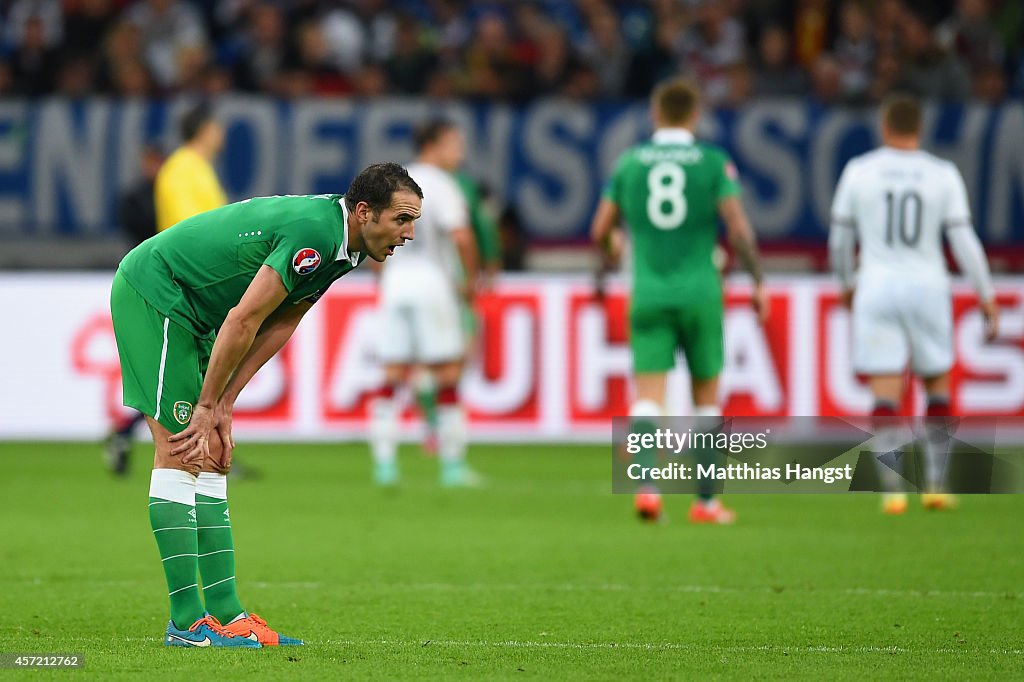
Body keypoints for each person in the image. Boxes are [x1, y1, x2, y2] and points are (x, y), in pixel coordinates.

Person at [110, 163, 422, 647]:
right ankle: (187, 623)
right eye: (402, 219)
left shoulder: (347, 248)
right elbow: (243, 318)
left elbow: (282, 320)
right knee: (180, 449)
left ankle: (228, 614)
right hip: (158, 293)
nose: (410, 233)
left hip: (196, 310)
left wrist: (226, 403)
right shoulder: (315, 234)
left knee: (210, 454)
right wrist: (208, 405)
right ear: (365, 212)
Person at [590, 77, 767, 525]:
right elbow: (739, 228)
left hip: (647, 292)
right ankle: (706, 502)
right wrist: (758, 280)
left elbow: (600, 230)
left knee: (648, 396)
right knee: (706, 398)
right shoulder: (712, 162)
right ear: (694, 114)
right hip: (700, 293)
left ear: (655, 114)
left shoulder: (629, 162)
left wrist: (609, 254)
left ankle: (648, 488)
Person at [829, 94, 999, 514]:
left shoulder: (860, 170)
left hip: (877, 285)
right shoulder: (941, 173)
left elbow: (839, 241)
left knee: (885, 392)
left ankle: (892, 490)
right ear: (918, 130)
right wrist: (986, 295)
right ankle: (936, 485)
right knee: (936, 384)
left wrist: (846, 282)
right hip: (927, 286)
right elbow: (962, 240)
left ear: (885, 127)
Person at [369, 120, 479, 487]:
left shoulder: (395, 183)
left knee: (392, 377)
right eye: (454, 143)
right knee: (447, 376)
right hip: (433, 284)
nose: (460, 152)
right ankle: (453, 468)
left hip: (396, 284)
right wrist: (471, 281)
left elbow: (369, 234)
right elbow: (462, 237)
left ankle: (384, 467)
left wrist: (382, 276)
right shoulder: (443, 185)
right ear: (434, 144)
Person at [105, 143, 165, 475]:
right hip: (151, 288)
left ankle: (123, 434)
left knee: (169, 379)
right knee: (163, 377)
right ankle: (124, 433)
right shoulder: (137, 198)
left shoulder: (160, 192)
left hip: (162, 285)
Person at [155, 103, 227, 233]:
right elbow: (187, 224)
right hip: (187, 251)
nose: (222, 133)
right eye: (217, 127)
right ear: (205, 130)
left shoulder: (199, 166)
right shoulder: (180, 168)